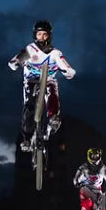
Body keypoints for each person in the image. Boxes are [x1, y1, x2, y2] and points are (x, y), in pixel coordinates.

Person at [8, 20, 76, 152]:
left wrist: (68, 71)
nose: (42, 38)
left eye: (45, 35)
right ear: (35, 35)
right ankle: (27, 138)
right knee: (29, 105)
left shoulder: (55, 53)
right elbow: (16, 60)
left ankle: (53, 117)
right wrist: (15, 63)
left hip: (48, 79)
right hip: (31, 80)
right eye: (39, 34)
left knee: (52, 90)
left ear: (49, 36)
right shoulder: (30, 49)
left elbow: (67, 68)